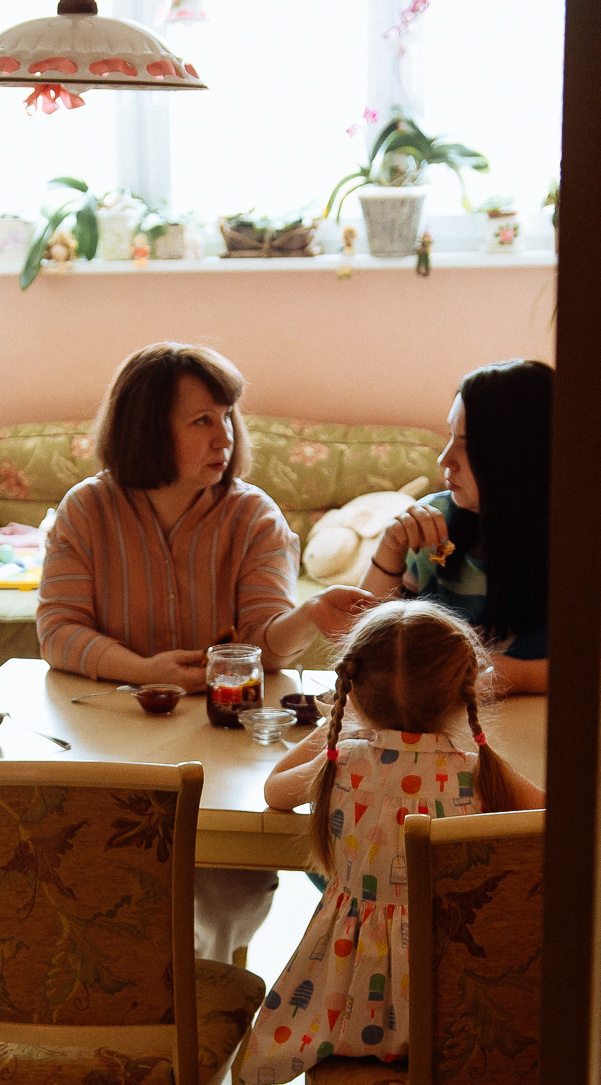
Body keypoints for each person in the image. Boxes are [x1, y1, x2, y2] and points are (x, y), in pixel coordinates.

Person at [36, 342, 374, 960]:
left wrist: (310, 617)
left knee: (226, 888)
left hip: (226, 746)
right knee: (79, 869)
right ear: (146, 428)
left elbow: (264, 643)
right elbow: (58, 629)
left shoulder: (254, 518)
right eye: (201, 421)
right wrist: (142, 671)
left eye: (226, 417)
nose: (224, 436)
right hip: (112, 741)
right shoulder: (87, 510)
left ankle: (206, 995)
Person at [242, 600, 545, 1082]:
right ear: (465, 692)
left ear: (353, 689)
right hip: (452, 999)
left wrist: (336, 725)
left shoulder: (342, 762)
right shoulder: (475, 768)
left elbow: (274, 790)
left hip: (349, 1004)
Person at [357, 359, 553, 695]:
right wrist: (389, 549)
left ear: (521, 454)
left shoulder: (581, 539)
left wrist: (520, 676)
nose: (444, 459)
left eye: (468, 444)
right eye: (450, 435)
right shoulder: (437, 521)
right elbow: (362, 651)